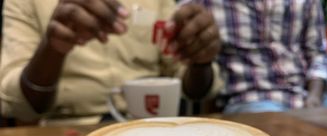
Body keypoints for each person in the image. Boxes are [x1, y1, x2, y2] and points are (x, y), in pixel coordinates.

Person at [0, 0, 222, 124]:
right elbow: (16, 104)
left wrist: (200, 61)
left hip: (152, 130)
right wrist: (52, 50)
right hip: (65, 131)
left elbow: (192, 88)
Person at [199, 0, 327, 113]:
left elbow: (317, 54)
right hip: (250, 100)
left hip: (307, 96)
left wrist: (314, 97)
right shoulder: (208, 4)